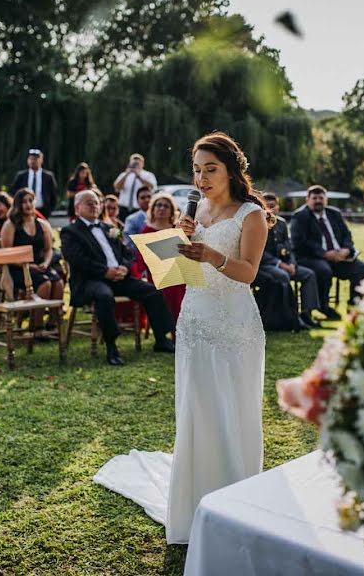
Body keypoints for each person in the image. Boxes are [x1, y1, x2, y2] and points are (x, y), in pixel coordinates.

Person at [93, 132, 268, 544]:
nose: (202, 178)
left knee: (232, 408)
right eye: (196, 170)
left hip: (234, 324)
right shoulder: (196, 210)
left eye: (211, 169)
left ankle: (237, 499)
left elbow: (249, 273)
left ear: (231, 170)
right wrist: (178, 242)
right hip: (193, 318)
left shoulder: (251, 215)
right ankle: (195, 502)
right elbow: (179, 271)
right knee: (197, 407)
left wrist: (211, 255)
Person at [60, 190, 176, 366]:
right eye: (88, 203)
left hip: (120, 277)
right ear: (77, 208)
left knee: (152, 291)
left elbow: (128, 254)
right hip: (91, 280)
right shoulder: (70, 231)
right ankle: (112, 347)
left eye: (96, 202)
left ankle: (161, 339)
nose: (94, 205)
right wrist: (105, 271)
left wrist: (125, 268)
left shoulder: (109, 228)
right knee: (104, 296)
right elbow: (77, 259)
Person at [290, 185, 364, 321]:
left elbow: (346, 235)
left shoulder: (334, 213)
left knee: (361, 268)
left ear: (326, 200)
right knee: (324, 270)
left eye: (321, 198)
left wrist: (347, 249)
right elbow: (300, 242)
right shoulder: (300, 216)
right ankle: (324, 307)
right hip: (311, 257)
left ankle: (354, 308)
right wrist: (324, 254)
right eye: (314, 198)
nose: (318, 201)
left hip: (339, 257)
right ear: (307, 200)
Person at [0, 187, 63, 333]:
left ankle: (52, 323)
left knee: (58, 283)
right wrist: (28, 265)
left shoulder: (42, 224)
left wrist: (46, 263)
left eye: (31, 201)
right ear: (18, 205)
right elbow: (7, 254)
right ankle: (36, 325)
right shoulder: (10, 225)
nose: (28, 205)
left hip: (41, 265)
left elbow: (48, 249)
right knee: (45, 284)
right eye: (24, 202)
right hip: (18, 267)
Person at [258, 192, 320, 329]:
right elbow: (260, 252)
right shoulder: (258, 223)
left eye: (273, 206)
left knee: (308, 274)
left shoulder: (281, 223)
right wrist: (281, 264)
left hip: (285, 263)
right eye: (266, 206)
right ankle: (293, 317)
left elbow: (288, 246)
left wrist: (292, 263)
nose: (270, 209)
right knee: (283, 276)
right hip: (264, 265)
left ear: (278, 208)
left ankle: (306, 314)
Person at [132, 191, 185, 322]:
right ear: (153, 209)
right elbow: (142, 259)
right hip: (157, 274)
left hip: (177, 273)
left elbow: (183, 254)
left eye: (166, 206)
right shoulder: (146, 230)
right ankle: (170, 329)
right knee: (169, 289)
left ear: (172, 211)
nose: (161, 208)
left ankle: (180, 330)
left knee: (181, 286)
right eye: (158, 205)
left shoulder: (176, 229)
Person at [9, 148, 58, 219]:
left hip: (43, 210)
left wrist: (50, 209)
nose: (33, 161)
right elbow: (13, 191)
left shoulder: (48, 176)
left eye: (35, 159)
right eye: (31, 159)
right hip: (24, 209)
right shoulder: (21, 175)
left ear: (41, 160)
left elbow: (54, 193)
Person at [113, 153, 157, 221]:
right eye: (133, 163)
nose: (135, 165)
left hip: (139, 208)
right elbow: (117, 187)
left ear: (142, 164)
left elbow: (152, 187)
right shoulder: (124, 175)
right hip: (123, 208)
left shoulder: (148, 175)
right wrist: (126, 174)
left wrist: (139, 176)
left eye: (137, 163)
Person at [123, 185, 152, 257]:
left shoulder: (163, 216)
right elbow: (129, 244)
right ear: (137, 201)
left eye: (149, 197)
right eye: (143, 198)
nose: (147, 200)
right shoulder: (131, 220)